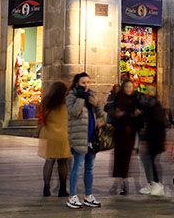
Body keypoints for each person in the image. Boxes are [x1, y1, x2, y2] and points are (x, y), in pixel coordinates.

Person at [66, 72, 106, 209]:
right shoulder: (72, 96)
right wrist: (81, 98)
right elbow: (74, 112)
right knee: (77, 168)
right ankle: (72, 196)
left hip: (91, 137)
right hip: (79, 137)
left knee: (90, 168)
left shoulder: (93, 95)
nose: (87, 85)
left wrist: (100, 117)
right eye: (83, 83)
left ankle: (88, 195)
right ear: (77, 83)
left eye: (88, 82)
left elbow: (102, 114)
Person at [107, 79, 141, 195]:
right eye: (126, 86)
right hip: (119, 132)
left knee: (126, 158)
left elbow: (137, 115)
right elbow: (113, 112)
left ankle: (123, 184)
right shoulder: (118, 98)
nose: (128, 89)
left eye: (130, 86)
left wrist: (126, 114)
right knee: (118, 157)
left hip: (130, 133)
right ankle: (118, 183)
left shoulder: (136, 99)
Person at [38, 81, 71, 198]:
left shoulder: (45, 102)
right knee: (62, 162)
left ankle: (46, 187)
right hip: (63, 135)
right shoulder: (66, 102)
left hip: (48, 134)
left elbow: (41, 118)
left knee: (49, 161)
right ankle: (62, 189)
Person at [138, 88, 167, 196]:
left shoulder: (152, 106)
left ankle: (156, 184)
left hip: (153, 138)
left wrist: (145, 138)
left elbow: (152, 124)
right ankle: (153, 183)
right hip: (154, 138)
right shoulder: (151, 105)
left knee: (150, 161)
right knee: (149, 161)